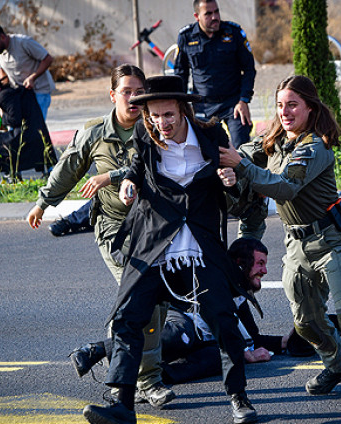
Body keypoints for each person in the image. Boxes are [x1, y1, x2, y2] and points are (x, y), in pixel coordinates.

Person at [219, 75, 341, 413]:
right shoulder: (273, 141)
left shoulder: (316, 146)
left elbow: (284, 188)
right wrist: (231, 173)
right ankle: (339, 365)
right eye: (280, 105)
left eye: (293, 104)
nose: (285, 111)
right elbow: (243, 160)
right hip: (296, 245)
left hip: (333, 244)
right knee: (306, 323)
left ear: (311, 108)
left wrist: (242, 168)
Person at [80, 75, 258, 424]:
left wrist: (230, 180)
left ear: (183, 110)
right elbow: (134, 169)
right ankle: (122, 404)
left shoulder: (211, 137)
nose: (162, 123)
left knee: (223, 320)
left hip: (199, 246)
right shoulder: (146, 137)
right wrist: (129, 183)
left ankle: (239, 399)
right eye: (155, 115)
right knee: (128, 320)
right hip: (154, 245)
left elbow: (234, 185)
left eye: (168, 114)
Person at [25, 64, 175, 409]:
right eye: (127, 92)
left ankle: (133, 374)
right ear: (113, 95)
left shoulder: (156, 129)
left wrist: (112, 175)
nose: (135, 99)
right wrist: (43, 202)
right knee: (137, 298)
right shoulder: (94, 133)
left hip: (153, 228)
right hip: (113, 227)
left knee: (159, 304)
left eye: (140, 92)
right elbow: (67, 168)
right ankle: (143, 381)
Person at [69, 238, 319, 387]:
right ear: (241, 264)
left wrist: (285, 341)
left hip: (201, 341)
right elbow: (195, 309)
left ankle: (158, 376)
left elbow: (251, 337)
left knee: (217, 358)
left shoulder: (241, 295)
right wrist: (245, 353)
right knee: (180, 334)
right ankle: (97, 349)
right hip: (182, 321)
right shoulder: (219, 281)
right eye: (260, 264)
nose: (264, 271)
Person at [175, 0, 256, 149]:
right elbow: (180, 74)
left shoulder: (233, 32)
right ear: (197, 16)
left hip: (233, 105)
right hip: (202, 106)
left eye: (216, 12)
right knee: (205, 152)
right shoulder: (186, 37)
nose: (215, 17)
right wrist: (181, 104)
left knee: (242, 149)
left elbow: (249, 69)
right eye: (208, 14)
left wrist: (244, 100)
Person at [0, 73, 57, 184]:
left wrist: (1, 118)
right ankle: (8, 176)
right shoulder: (9, 94)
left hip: (20, 139)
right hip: (27, 136)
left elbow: (15, 119)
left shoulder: (4, 96)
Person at [0, 24, 56, 121]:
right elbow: (2, 70)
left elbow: (48, 59)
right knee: (15, 126)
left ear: (2, 37)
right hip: (19, 92)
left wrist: (33, 77)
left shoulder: (23, 42)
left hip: (39, 91)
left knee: (35, 127)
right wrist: (3, 90)